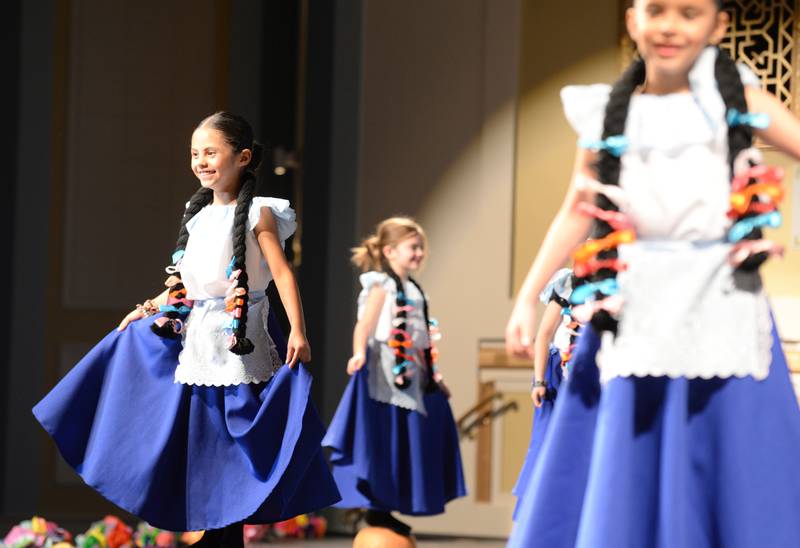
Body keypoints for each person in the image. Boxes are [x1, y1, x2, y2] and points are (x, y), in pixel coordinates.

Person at [506, 1, 800, 546]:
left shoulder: (741, 102)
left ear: (718, 26)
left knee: (732, 463)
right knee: (629, 465)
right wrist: (528, 297)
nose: (670, 25)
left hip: (723, 306)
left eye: (689, 13)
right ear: (632, 21)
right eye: (656, 9)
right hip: (635, 309)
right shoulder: (608, 116)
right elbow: (578, 206)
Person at [33, 112, 340, 546]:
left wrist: (298, 331)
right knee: (202, 436)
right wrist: (146, 308)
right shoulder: (196, 215)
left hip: (240, 340)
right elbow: (189, 283)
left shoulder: (259, 213)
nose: (201, 160)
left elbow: (282, 274)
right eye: (195, 153)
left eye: (211, 152)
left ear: (243, 157)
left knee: (236, 439)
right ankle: (214, 528)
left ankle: (226, 531)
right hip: (198, 338)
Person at [322, 217, 466, 539]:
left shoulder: (414, 289)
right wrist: (358, 352)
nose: (418, 253)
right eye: (412, 247)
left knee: (406, 445)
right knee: (384, 445)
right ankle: (378, 510)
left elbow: (421, 341)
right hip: (384, 379)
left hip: (412, 379)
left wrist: (434, 376)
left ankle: (389, 509)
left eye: (421, 248)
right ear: (389, 251)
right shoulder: (381, 285)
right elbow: (365, 325)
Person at [511, 268, 578, 519]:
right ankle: (540, 515)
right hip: (558, 375)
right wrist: (539, 380)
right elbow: (544, 335)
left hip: (595, 372)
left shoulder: (617, 280)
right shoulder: (569, 282)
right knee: (549, 443)